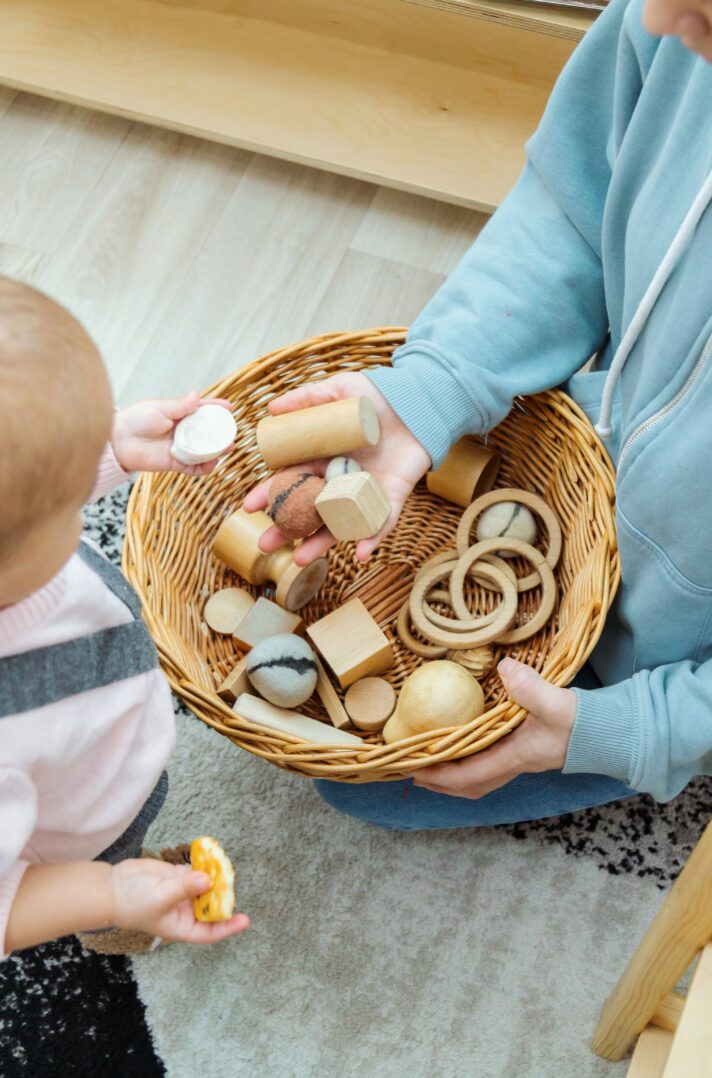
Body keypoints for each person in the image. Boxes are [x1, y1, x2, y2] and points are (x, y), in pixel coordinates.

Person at [244, 0, 712, 829]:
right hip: (578, 503)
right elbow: (573, 209)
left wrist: (646, 727)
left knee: (388, 792)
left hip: (677, 660)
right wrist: (430, 390)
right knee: (359, 778)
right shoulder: (672, 21)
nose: (660, 15)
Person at [0, 279, 249, 955]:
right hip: (81, 833)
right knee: (120, 869)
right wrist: (107, 892)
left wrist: (109, 447)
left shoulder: (17, 546)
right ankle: (114, 933)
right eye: (70, 503)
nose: (84, 515)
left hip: (109, 748)